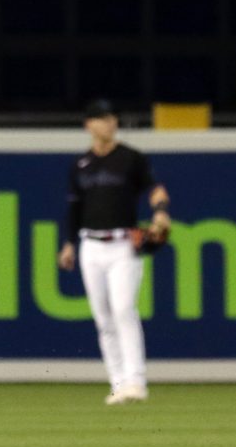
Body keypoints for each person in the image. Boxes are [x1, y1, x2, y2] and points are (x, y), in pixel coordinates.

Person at [58, 99, 171, 405]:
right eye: (102, 118)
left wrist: (160, 212)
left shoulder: (130, 158)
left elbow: (156, 189)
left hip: (124, 243)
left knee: (123, 309)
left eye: (112, 118)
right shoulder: (81, 164)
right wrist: (69, 243)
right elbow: (74, 208)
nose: (110, 123)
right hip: (90, 245)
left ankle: (136, 381)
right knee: (103, 318)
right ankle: (118, 382)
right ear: (89, 125)